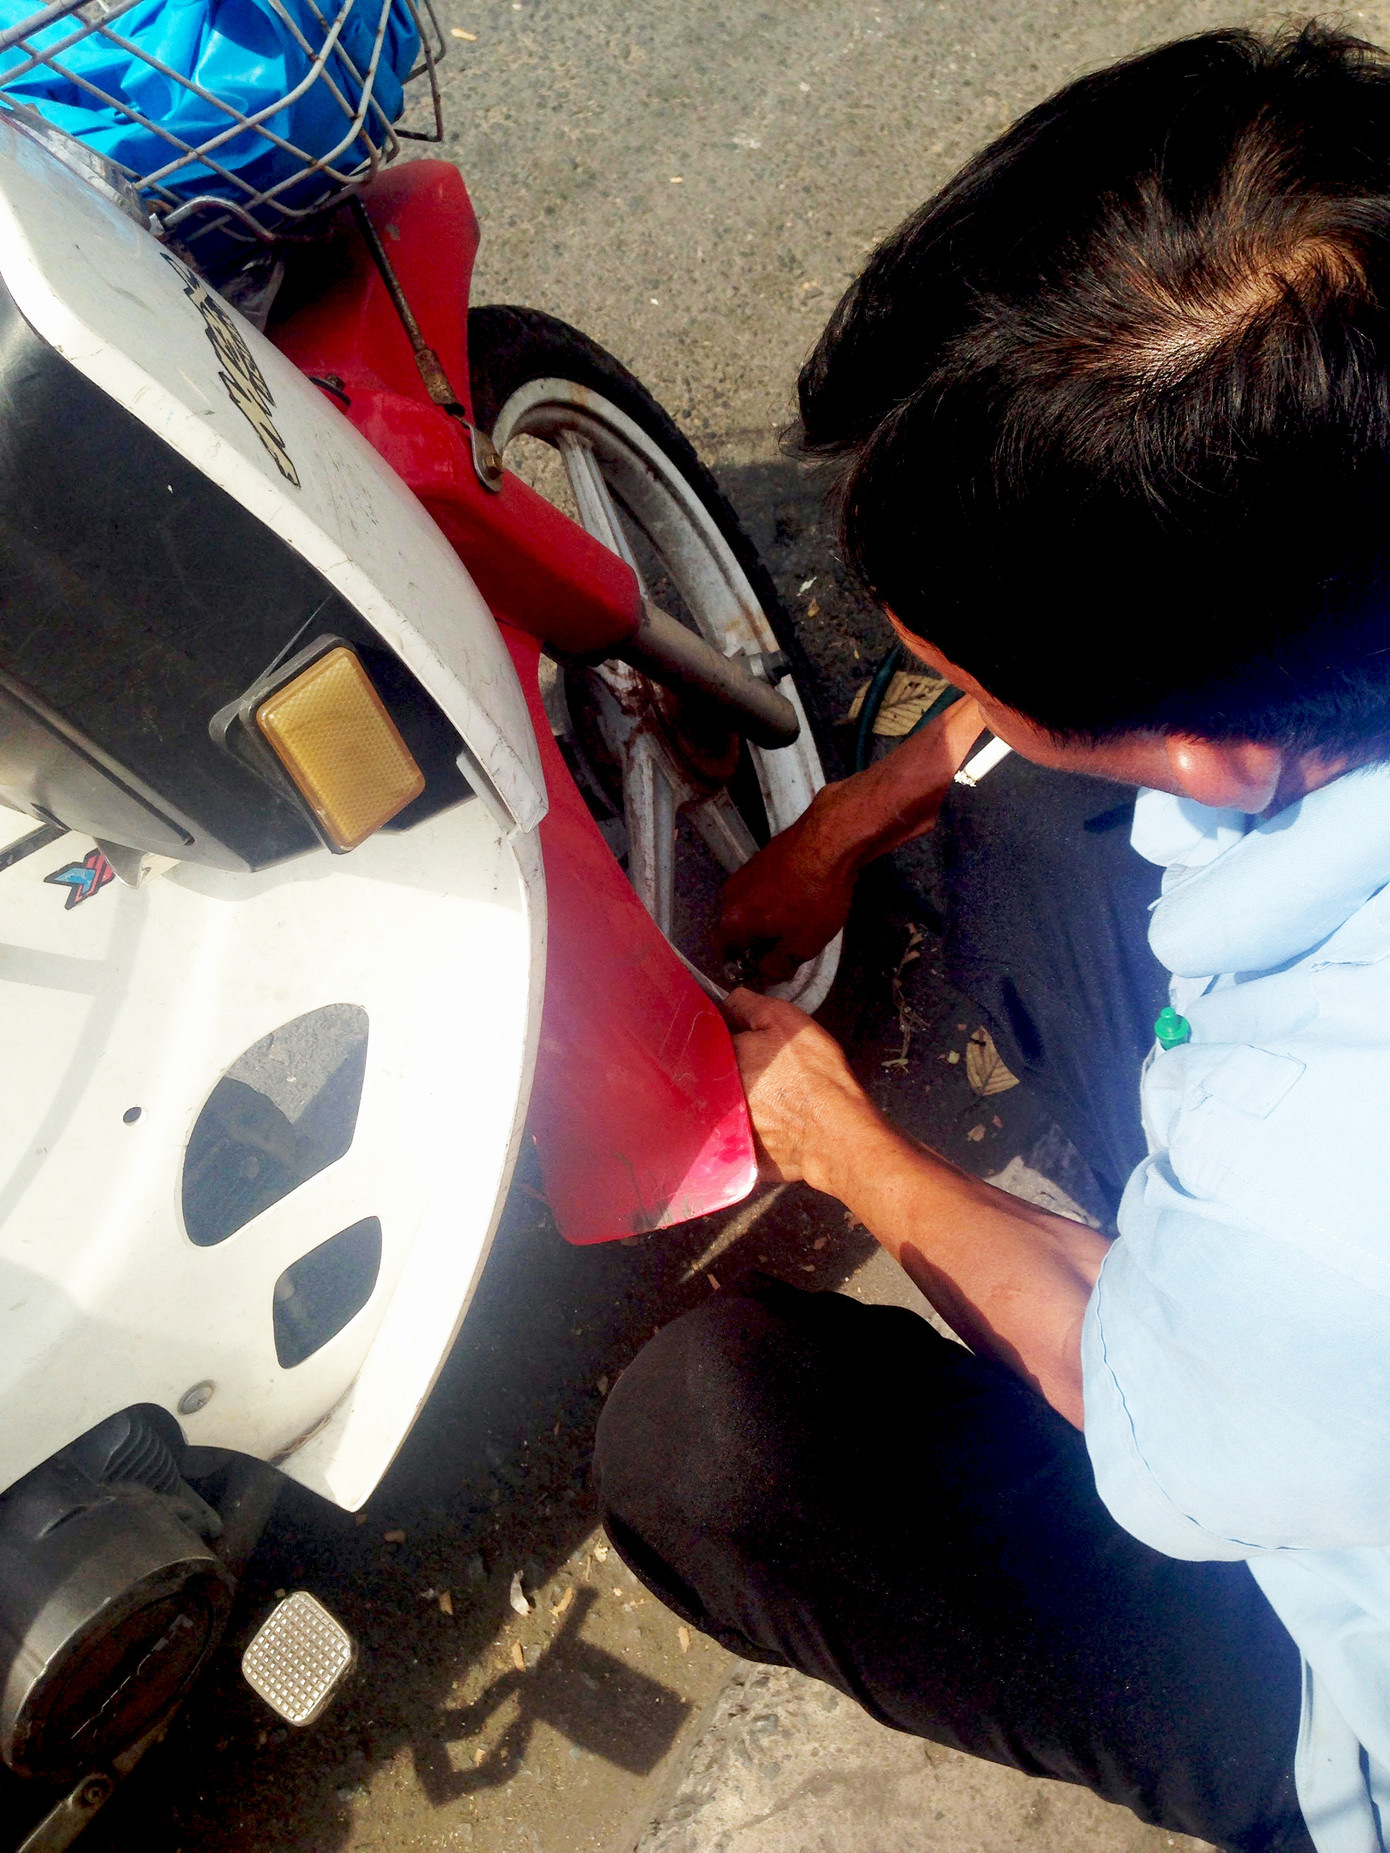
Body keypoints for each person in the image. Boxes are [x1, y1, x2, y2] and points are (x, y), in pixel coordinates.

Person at [594, 25, 1390, 1853]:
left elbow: (1125, 1384)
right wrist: (847, 819)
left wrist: (841, 1145)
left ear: (1209, 746)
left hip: (1323, 1638)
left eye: (952, 668)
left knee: (705, 1443)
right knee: (1024, 813)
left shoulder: (1309, 1208)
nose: (938, 694)